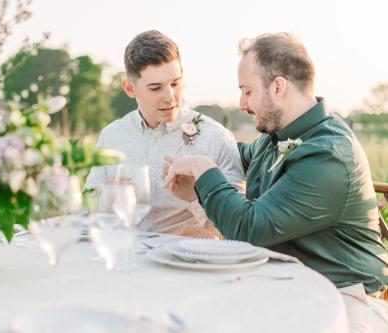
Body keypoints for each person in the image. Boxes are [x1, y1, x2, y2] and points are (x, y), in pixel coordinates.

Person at [163, 33, 388, 332]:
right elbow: (233, 155)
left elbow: (250, 229)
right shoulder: (277, 136)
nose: (242, 104)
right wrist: (186, 147)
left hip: (344, 297)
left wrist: (204, 171)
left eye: (247, 91)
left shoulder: (328, 156)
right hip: (285, 287)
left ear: (278, 87)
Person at [85, 30, 244, 238]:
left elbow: (237, 229)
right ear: (130, 88)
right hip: (125, 258)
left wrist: (195, 198)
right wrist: (109, 197)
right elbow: (89, 207)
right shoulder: (112, 136)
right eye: (155, 88)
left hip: (191, 265)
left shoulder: (216, 138)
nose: (170, 97)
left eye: (175, 83)